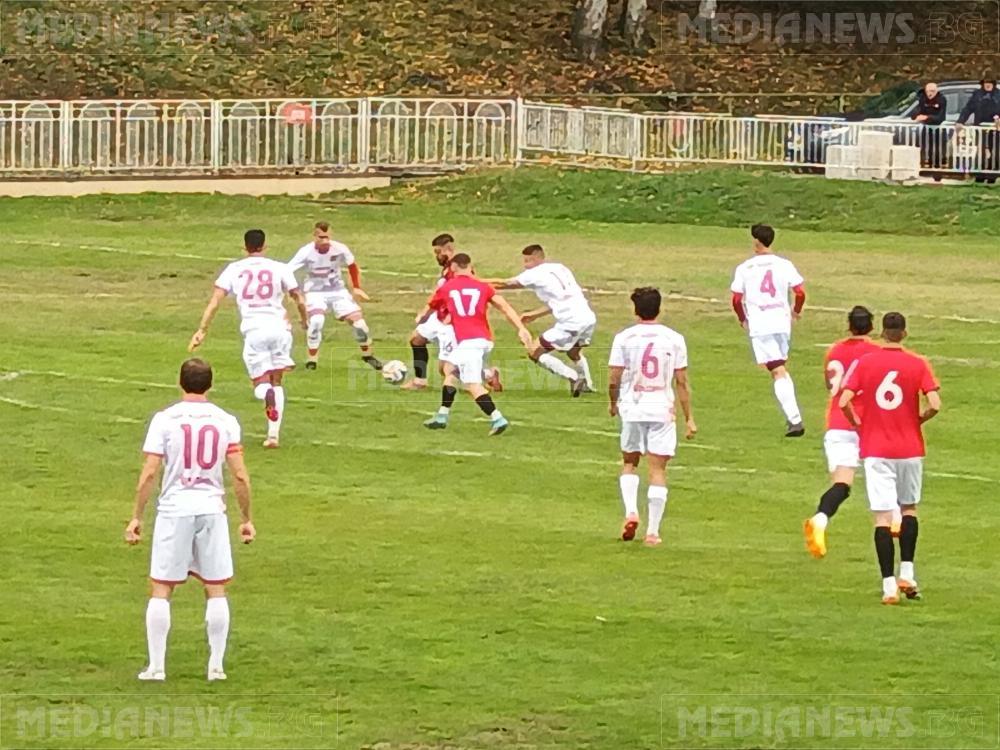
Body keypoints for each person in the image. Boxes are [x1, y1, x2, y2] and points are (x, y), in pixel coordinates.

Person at [126, 358, 255, 681]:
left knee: (161, 586)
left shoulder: (165, 419)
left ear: (180, 382)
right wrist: (246, 518)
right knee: (216, 586)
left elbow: (150, 473)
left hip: (174, 509)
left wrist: (136, 516)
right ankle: (216, 666)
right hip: (211, 509)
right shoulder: (225, 420)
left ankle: (157, 667)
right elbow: (240, 476)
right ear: (210, 384)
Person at [839, 312, 941, 605]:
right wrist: (917, 420)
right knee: (908, 509)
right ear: (904, 333)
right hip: (909, 448)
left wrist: (858, 423)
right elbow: (935, 404)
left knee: (883, 518)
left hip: (876, 448)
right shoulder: (918, 363)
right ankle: (907, 573)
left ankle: (888, 587)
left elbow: (844, 401)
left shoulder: (866, 362)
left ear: (882, 333)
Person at [189, 229, 307, 449]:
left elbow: (214, 302)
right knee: (277, 380)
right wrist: (304, 320)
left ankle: (265, 394)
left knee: (260, 383)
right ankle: (273, 436)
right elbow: (298, 298)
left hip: (255, 330)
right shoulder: (280, 268)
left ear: (244, 248)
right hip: (280, 329)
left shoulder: (234, 269)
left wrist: (202, 329)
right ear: (265, 246)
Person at [804, 306, 897, 558]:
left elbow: (830, 385)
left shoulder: (834, 351)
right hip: (866, 423)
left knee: (842, 483)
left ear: (849, 325)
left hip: (837, 423)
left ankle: (820, 518)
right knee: (886, 472)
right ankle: (896, 520)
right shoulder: (875, 352)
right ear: (872, 326)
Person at [609, 288, 696, 546]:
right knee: (657, 469)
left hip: (633, 407)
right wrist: (689, 418)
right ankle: (653, 532)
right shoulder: (674, 339)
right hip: (661, 409)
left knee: (629, 462)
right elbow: (682, 382)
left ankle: (631, 512)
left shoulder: (624, 338)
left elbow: (614, 377)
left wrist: (613, 403)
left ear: (635, 310)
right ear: (660, 309)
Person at [422, 253, 533, 435]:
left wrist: (421, 317)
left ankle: (497, 418)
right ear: (470, 266)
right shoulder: (483, 287)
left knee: (472, 385)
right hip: (483, 339)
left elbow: (431, 307)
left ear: (454, 267)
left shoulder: (447, 287)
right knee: (451, 371)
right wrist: (521, 328)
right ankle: (442, 415)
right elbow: (504, 306)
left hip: (468, 342)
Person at [730, 224, 807, 437]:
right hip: (782, 322)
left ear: (756, 241)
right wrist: (796, 311)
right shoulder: (784, 264)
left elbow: (736, 299)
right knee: (779, 367)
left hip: (761, 323)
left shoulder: (745, 268)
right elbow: (800, 292)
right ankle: (793, 417)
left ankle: (795, 420)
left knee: (776, 370)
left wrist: (743, 318)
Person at [490, 244, 596, 398]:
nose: (525, 266)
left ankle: (573, 377)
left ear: (538, 258)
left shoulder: (535, 273)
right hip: (587, 317)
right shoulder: (560, 268)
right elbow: (559, 299)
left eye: (528, 261)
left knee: (535, 351)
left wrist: (474, 281)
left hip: (570, 322)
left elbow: (505, 284)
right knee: (574, 352)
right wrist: (535, 314)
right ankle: (587, 384)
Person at [401, 234, 502, 392]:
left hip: (450, 320)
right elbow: (440, 293)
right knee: (416, 339)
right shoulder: (448, 268)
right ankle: (420, 381)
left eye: (438, 252)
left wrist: (448, 315)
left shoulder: (457, 269)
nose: (436, 256)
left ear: (448, 249)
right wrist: (426, 312)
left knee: (446, 368)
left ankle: (487, 375)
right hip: (439, 315)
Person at [287, 221, 383, 372]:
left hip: (338, 291)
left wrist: (356, 287)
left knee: (360, 325)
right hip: (315, 292)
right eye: (321, 237)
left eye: (327, 237)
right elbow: (287, 271)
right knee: (316, 322)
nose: (324, 241)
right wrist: (294, 291)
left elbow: (352, 265)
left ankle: (367, 355)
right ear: (314, 236)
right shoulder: (306, 252)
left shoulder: (339, 249)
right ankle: (312, 360)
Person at [956, 76, 1000, 182]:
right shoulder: (977, 94)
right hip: (979, 127)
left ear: (994, 84)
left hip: (995, 128)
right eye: (985, 83)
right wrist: (960, 121)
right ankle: (980, 174)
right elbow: (968, 108)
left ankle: (992, 175)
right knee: (980, 151)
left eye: (990, 83)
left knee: (995, 151)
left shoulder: (998, 94)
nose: (987, 84)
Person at [911, 82, 947, 170]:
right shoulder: (923, 99)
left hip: (938, 128)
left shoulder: (941, 99)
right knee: (925, 147)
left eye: (932, 91)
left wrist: (927, 117)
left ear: (936, 91)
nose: (929, 94)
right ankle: (926, 165)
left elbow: (941, 117)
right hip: (926, 127)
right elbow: (915, 113)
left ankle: (937, 167)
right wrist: (917, 114)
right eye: (927, 91)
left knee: (938, 148)